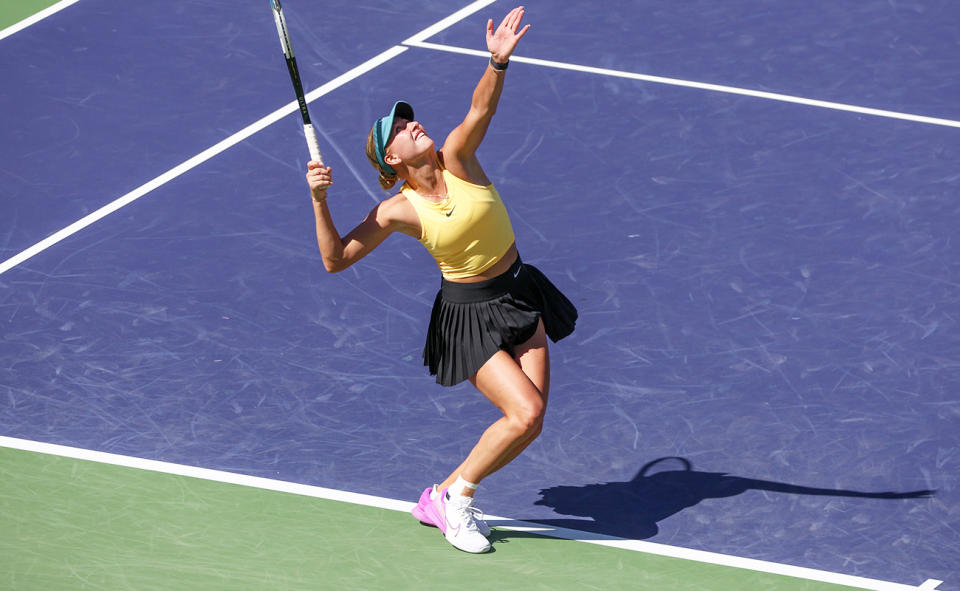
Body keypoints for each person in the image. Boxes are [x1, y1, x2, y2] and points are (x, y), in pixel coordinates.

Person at [305, 6, 576, 554]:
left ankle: (441, 495)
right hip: (470, 316)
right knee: (522, 413)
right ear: (391, 157)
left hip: (521, 293)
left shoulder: (459, 159)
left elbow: (480, 107)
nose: (412, 124)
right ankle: (459, 503)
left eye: (410, 118)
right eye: (400, 129)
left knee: (531, 423)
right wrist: (319, 202)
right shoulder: (397, 211)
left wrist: (496, 63)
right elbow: (336, 260)